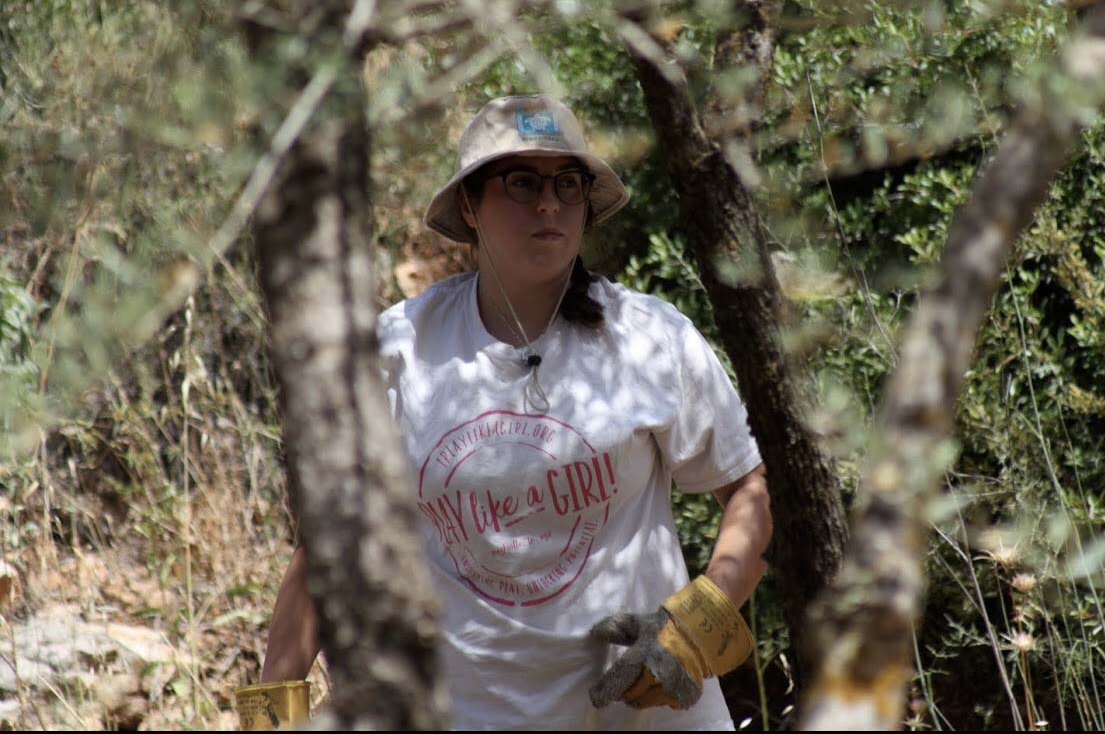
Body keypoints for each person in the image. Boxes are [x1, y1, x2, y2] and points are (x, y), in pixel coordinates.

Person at [255, 95, 772, 730]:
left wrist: (692, 631)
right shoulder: (400, 352)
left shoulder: (650, 339)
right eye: (521, 182)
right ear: (469, 206)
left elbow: (749, 489)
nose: (548, 203)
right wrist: (269, 719)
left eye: (566, 183)